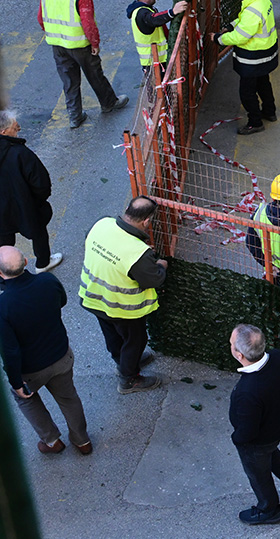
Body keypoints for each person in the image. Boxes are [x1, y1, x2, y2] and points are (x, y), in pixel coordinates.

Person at [0, 247, 90, 456]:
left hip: (30, 369)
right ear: (25, 261)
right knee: (68, 397)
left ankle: (51, 441)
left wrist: (16, 382)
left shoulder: (3, 306)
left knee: (26, 398)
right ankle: (82, 441)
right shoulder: (48, 282)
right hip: (60, 355)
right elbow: (62, 302)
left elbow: (10, 351)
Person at [78, 196, 166, 394]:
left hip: (93, 297)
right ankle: (129, 379)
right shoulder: (138, 252)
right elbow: (153, 280)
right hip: (122, 308)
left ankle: (124, 361)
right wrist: (161, 265)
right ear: (146, 221)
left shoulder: (101, 224)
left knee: (112, 334)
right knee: (136, 340)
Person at [229, 323, 280, 525]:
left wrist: (237, 439)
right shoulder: (279, 357)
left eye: (231, 343)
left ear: (239, 355)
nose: (230, 345)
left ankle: (269, 508)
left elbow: (248, 431)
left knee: (258, 473)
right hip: (279, 423)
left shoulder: (247, 391)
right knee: (270, 452)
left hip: (257, 439)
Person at [37, 0, 129, 129]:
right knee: (95, 75)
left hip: (57, 45)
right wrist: (94, 43)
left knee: (69, 81)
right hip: (80, 46)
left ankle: (75, 117)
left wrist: (56, 34)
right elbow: (87, 22)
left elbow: (41, 18)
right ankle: (109, 103)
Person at [213, 0, 278, 136]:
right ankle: (269, 112)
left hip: (253, 57)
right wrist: (231, 25)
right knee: (263, 83)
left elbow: (240, 37)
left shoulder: (251, 10)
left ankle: (255, 122)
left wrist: (218, 38)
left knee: (247, 92)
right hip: (267, 53)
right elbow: (245, 21)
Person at [0, 111, 62, 273]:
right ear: (3, 132)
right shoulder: (20, 153)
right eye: (15, 127)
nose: (18, 129)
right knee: (38, 231)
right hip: (25, 206)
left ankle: (4, 273)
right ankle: (43, 263)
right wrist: (37, 201)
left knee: (3, 243)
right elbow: (41, 183)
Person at [126, 0, 187, 80]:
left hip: (157, 61)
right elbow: (153, 20)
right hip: (155, 63)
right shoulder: (141, 13)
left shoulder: (143, 9)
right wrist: (172, 12)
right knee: (160, 92)